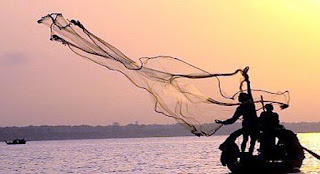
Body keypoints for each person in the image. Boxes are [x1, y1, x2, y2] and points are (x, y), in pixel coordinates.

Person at [216, 68, 258, 154]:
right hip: (247, 125)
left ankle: (249, 153)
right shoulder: (240, 108)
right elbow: (233, 119)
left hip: (254, 124)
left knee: (251, 140)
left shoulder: (250, 103)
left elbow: (249, 90)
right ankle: (244, 153)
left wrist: (247, 80)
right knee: (246, 139)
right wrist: (223, 122)